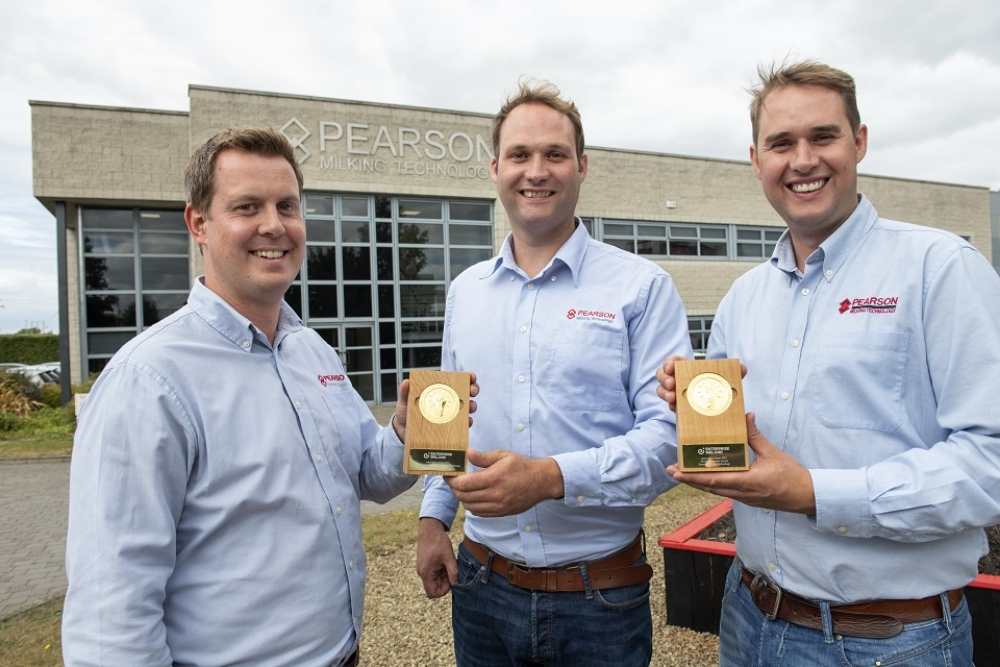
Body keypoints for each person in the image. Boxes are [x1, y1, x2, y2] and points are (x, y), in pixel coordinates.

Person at [61, 128, 478, 666]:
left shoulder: (311, 351)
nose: (274, 226)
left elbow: (368, 475)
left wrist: (406, 430)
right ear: (199, 224)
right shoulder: (148, 381)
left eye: (287, 206)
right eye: (246, 207)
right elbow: (109, 612)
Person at [657, 60, 1000, 666]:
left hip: (890, 642)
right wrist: (694, 406)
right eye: (781, 143)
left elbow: (989, 464)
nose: (803, 160)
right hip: (748, 619)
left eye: (823, 136)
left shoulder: (940, 269)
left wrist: (813, 492)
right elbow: (731, 438)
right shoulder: (743, 299)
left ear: (859, 141)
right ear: (756, 159)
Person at [416, 81, 692, 666]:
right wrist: (432, 519)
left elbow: (670, 441)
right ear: (495, 168)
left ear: (582, 166)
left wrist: (549, 478)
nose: (535, 171)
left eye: (554, 154)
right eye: (519, 155)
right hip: (481, 592)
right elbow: (446, 424)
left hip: (599, 601)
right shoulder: (466, 292)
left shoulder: (641, 288)